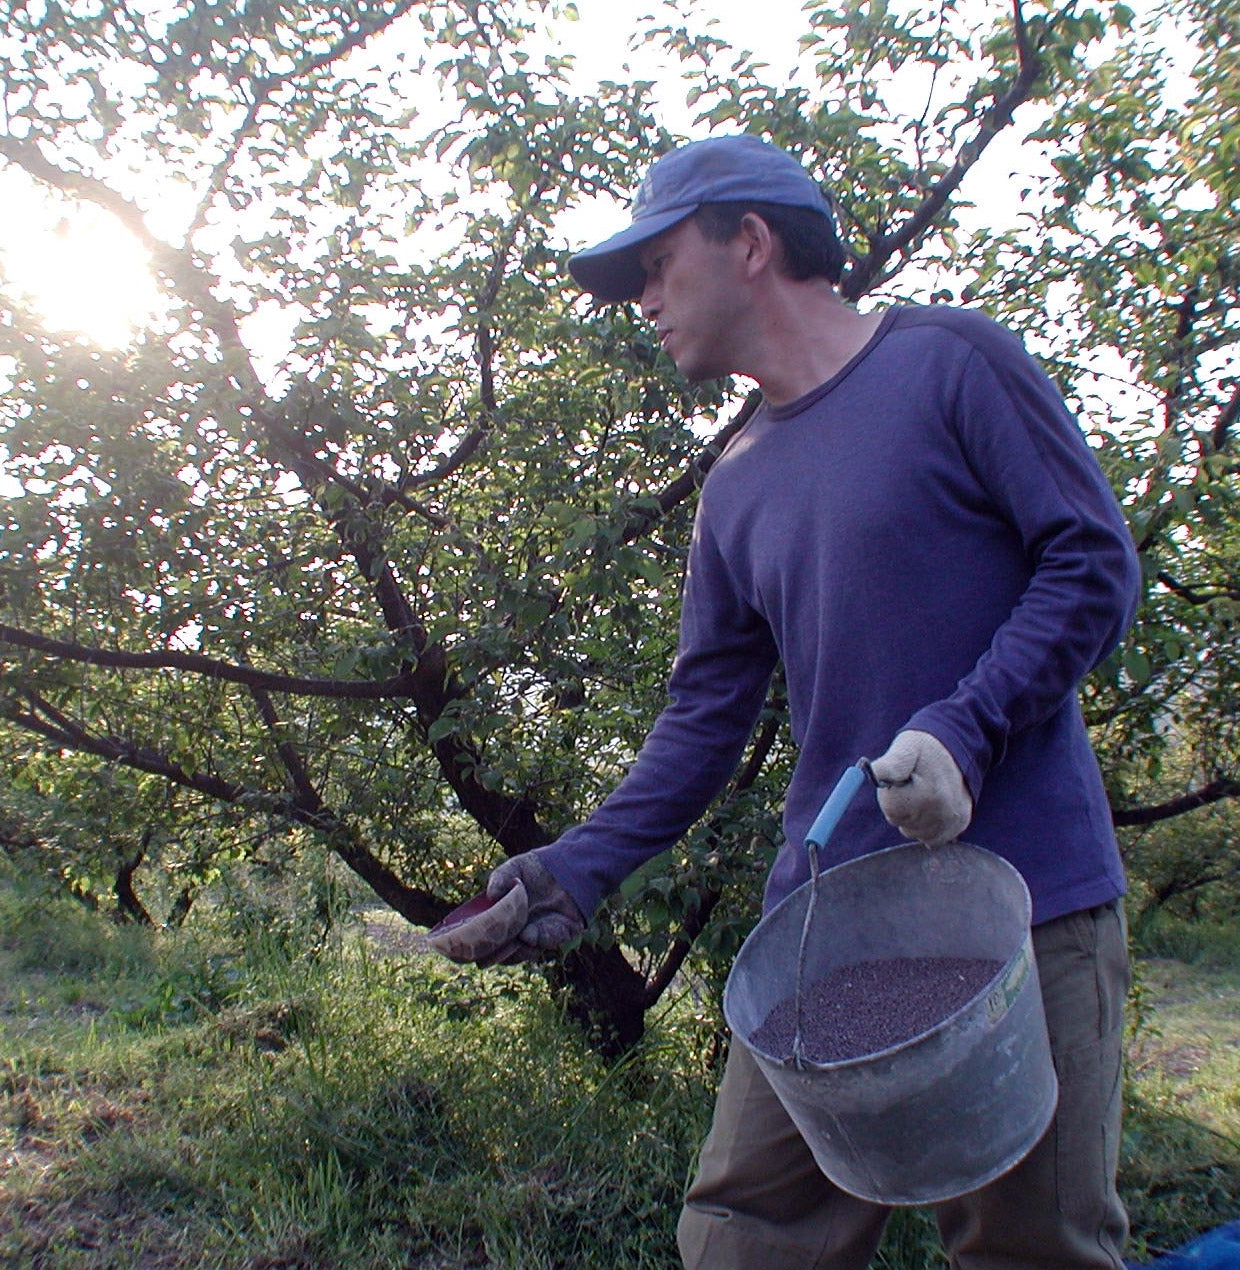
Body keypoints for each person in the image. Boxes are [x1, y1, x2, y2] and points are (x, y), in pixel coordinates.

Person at [430, 133, 1142, 1270]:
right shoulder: (736, 485)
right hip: (828, 924)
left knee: (1035, 1248)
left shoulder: (952, 365)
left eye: (658, 265)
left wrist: (964, 724)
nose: (645, 300)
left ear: (749, 242)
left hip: (1025, 908)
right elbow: (705, 716)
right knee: (741, 1238)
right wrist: (576, 865)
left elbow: (1091, 565)